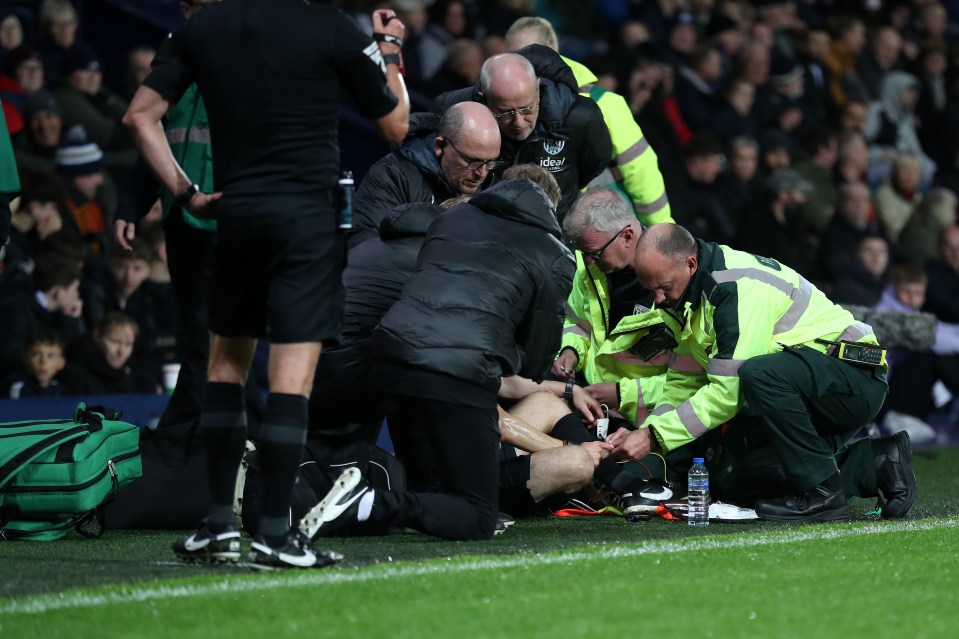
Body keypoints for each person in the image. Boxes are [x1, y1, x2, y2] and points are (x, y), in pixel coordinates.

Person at [123, 1, 410, 569]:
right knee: (289, 379)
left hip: (237, 217)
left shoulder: (202, 26)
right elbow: (397, 124)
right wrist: (391, 51)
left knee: (224, 370)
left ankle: (216, 527)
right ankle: (275, 536)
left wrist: (185, 194)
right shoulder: (333, 28)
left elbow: (139, 116)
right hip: (306, 222)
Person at [308, 176, 577, 542]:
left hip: (387, 351)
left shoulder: (452, 222)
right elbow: (532, 360)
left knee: (421, 418)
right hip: (448, 368)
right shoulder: (554, 253)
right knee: (478, 517)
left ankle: (379, 497)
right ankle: (366, 501)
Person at [611, 223, 915, 522]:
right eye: (650, 290)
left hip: (853, 376)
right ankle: (875, 463)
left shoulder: (735, 287)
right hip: (809, 386)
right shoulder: (686, 296)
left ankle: (824, 494)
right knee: (733, 483)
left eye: (663, 287)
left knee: (758, 374)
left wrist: (653, 437)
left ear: (690, 264)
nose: (658, 300)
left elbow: (728, 394)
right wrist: (646, 432)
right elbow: (683, 383)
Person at [504, 17, 672, 226]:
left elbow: (641, 170)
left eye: (528, 52)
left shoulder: (605, 103)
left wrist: (661, 230)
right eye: (512, 56)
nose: (520, 63)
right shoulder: (501, 109)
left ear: (552, 50)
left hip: (604, 230)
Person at [432, 48, 611, 223]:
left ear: (538, 90)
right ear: (484, 99)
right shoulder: (456, 114)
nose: (518, 122)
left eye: (526, 108)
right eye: (505, 112)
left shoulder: (581, 118)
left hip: (555, 230)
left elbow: (594, 164)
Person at [349, 101, 500, 248]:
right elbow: (363, 247)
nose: (482, 173)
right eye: (472, 161)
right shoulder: (392, 176)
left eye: (491, 162)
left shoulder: (492, 185)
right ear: (440, 146)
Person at [75, 311, 160, 395]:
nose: (121, 352)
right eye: (115, 342)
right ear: (97, 336)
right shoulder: (77, 376)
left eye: (128, 344)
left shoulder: (142, 380)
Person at [2, 327, 69, 399]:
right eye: (36, 354)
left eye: (51, 356)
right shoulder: (18, 388)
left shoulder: (59, 389)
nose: (43, 361)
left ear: (61, 363)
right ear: (25, 358)